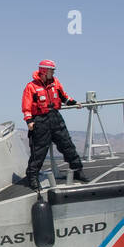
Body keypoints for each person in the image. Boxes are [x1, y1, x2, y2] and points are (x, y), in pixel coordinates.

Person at [22, 59, 87, 189]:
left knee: (67, 145)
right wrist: (29, 121)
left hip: (55, 117)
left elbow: (64, 97)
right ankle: (32, 177)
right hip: (40, 120)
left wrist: (74, 103)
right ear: (44, 71)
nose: (53, 73)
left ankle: (77, 170)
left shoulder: (55, 83)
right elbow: (26, 106)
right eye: (51, 70)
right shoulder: (31, 87)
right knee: (39, 151)